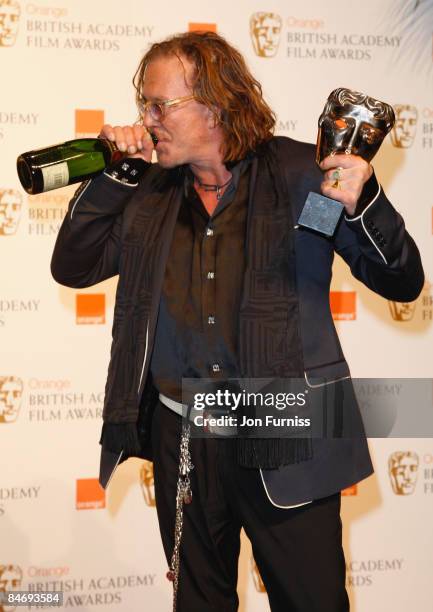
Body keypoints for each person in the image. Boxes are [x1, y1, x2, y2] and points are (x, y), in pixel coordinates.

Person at [51, 31, 424, 612]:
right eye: (143, 105)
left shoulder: (304, 175)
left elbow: (400, 282)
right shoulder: (147, 193)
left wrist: (365, 201)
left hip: (290, 429)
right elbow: (73, 268)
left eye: (159, 105)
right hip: (186, 434)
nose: (146, 119)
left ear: (216, 103)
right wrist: (113, 174)